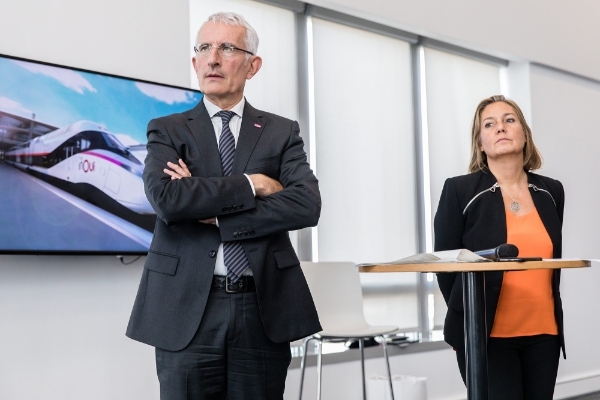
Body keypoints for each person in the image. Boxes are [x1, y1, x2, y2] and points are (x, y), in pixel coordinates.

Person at [126, 12, 322, 400]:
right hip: (186, 308)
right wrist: (254, 184)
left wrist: (215, 211)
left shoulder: (281, 132)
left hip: (261, 307)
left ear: (253, 65)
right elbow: (169, 199)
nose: (213, 58)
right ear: (195, 61)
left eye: (227, 47)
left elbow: (305, 205)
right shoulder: (168, 129)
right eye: (204, 48)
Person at [434, 95, 565, 399]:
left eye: (509, 120)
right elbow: (445, 264)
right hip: (486, 335)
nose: (501, 128)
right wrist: (464, 322)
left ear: (524, 133)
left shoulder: (552, 191)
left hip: (544, 333)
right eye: (489, 124)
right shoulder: (459, 190)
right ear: (481, 142)